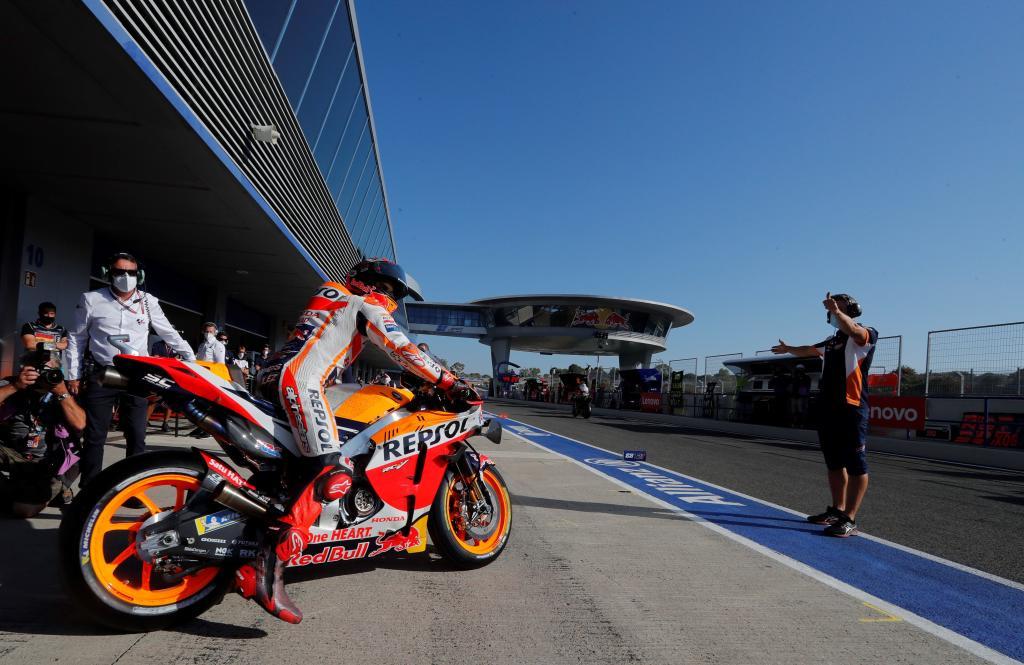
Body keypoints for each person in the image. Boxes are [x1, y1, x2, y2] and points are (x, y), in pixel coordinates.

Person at [238, 258, 469, 624]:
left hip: (273, 376)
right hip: (301, 380)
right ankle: (267, 570)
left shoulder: (333, 295)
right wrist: (449, 381)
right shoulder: (363, 303)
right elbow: (403, 349)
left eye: (392, 293)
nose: (388, 297)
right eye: (387, 289)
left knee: (291, 471)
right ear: (366, 283)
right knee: (331, 473)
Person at [66, 252, 196, 488]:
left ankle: (133, 487)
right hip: (102, 373)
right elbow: (77, 338)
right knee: (95, 435)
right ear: (108, 273)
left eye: (131, 272)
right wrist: (72, 374)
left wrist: (190, 358)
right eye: (119, 271)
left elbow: (168, 332)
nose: (125, 276)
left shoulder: (149, 301)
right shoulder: (91, 300)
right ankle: (91, 488)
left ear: (140, 275)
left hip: (137, 376)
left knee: (137, 434)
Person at [772, 292, 878, 537]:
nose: (831, 312)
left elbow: (856, 332)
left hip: (852, 408)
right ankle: (836, 510)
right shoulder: (831, 342)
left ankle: (849, 518)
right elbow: (810, 350)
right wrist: (789, 348)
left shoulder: (866, 333)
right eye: (830, 309)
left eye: (836, 308)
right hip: (828, 408)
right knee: (834, 462)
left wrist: (839, 313)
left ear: (851, 311)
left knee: (856, 465)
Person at [0, 351, 85, 516]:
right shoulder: (13, 383)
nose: (42, 376)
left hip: (47, 463)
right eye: (37, 370)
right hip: (12, 454)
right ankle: (18, 489)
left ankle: (56, 490)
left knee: (24, 510)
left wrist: (62, 393)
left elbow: (80, 424)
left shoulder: (65, 389)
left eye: (48, 370)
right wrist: (15, 386)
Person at [790, 364, 811, 428]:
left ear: (803, 370)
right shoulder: (794, 377)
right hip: (794, 396)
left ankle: (801, 423)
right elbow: (792, 386)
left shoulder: (806, 377)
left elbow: (806, 387)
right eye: (798, 369)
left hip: (801, 396)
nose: (799, 370)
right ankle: (795, 422)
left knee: (801, 410)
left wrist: (802, 395)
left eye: (800, 369)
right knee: (794, 410)